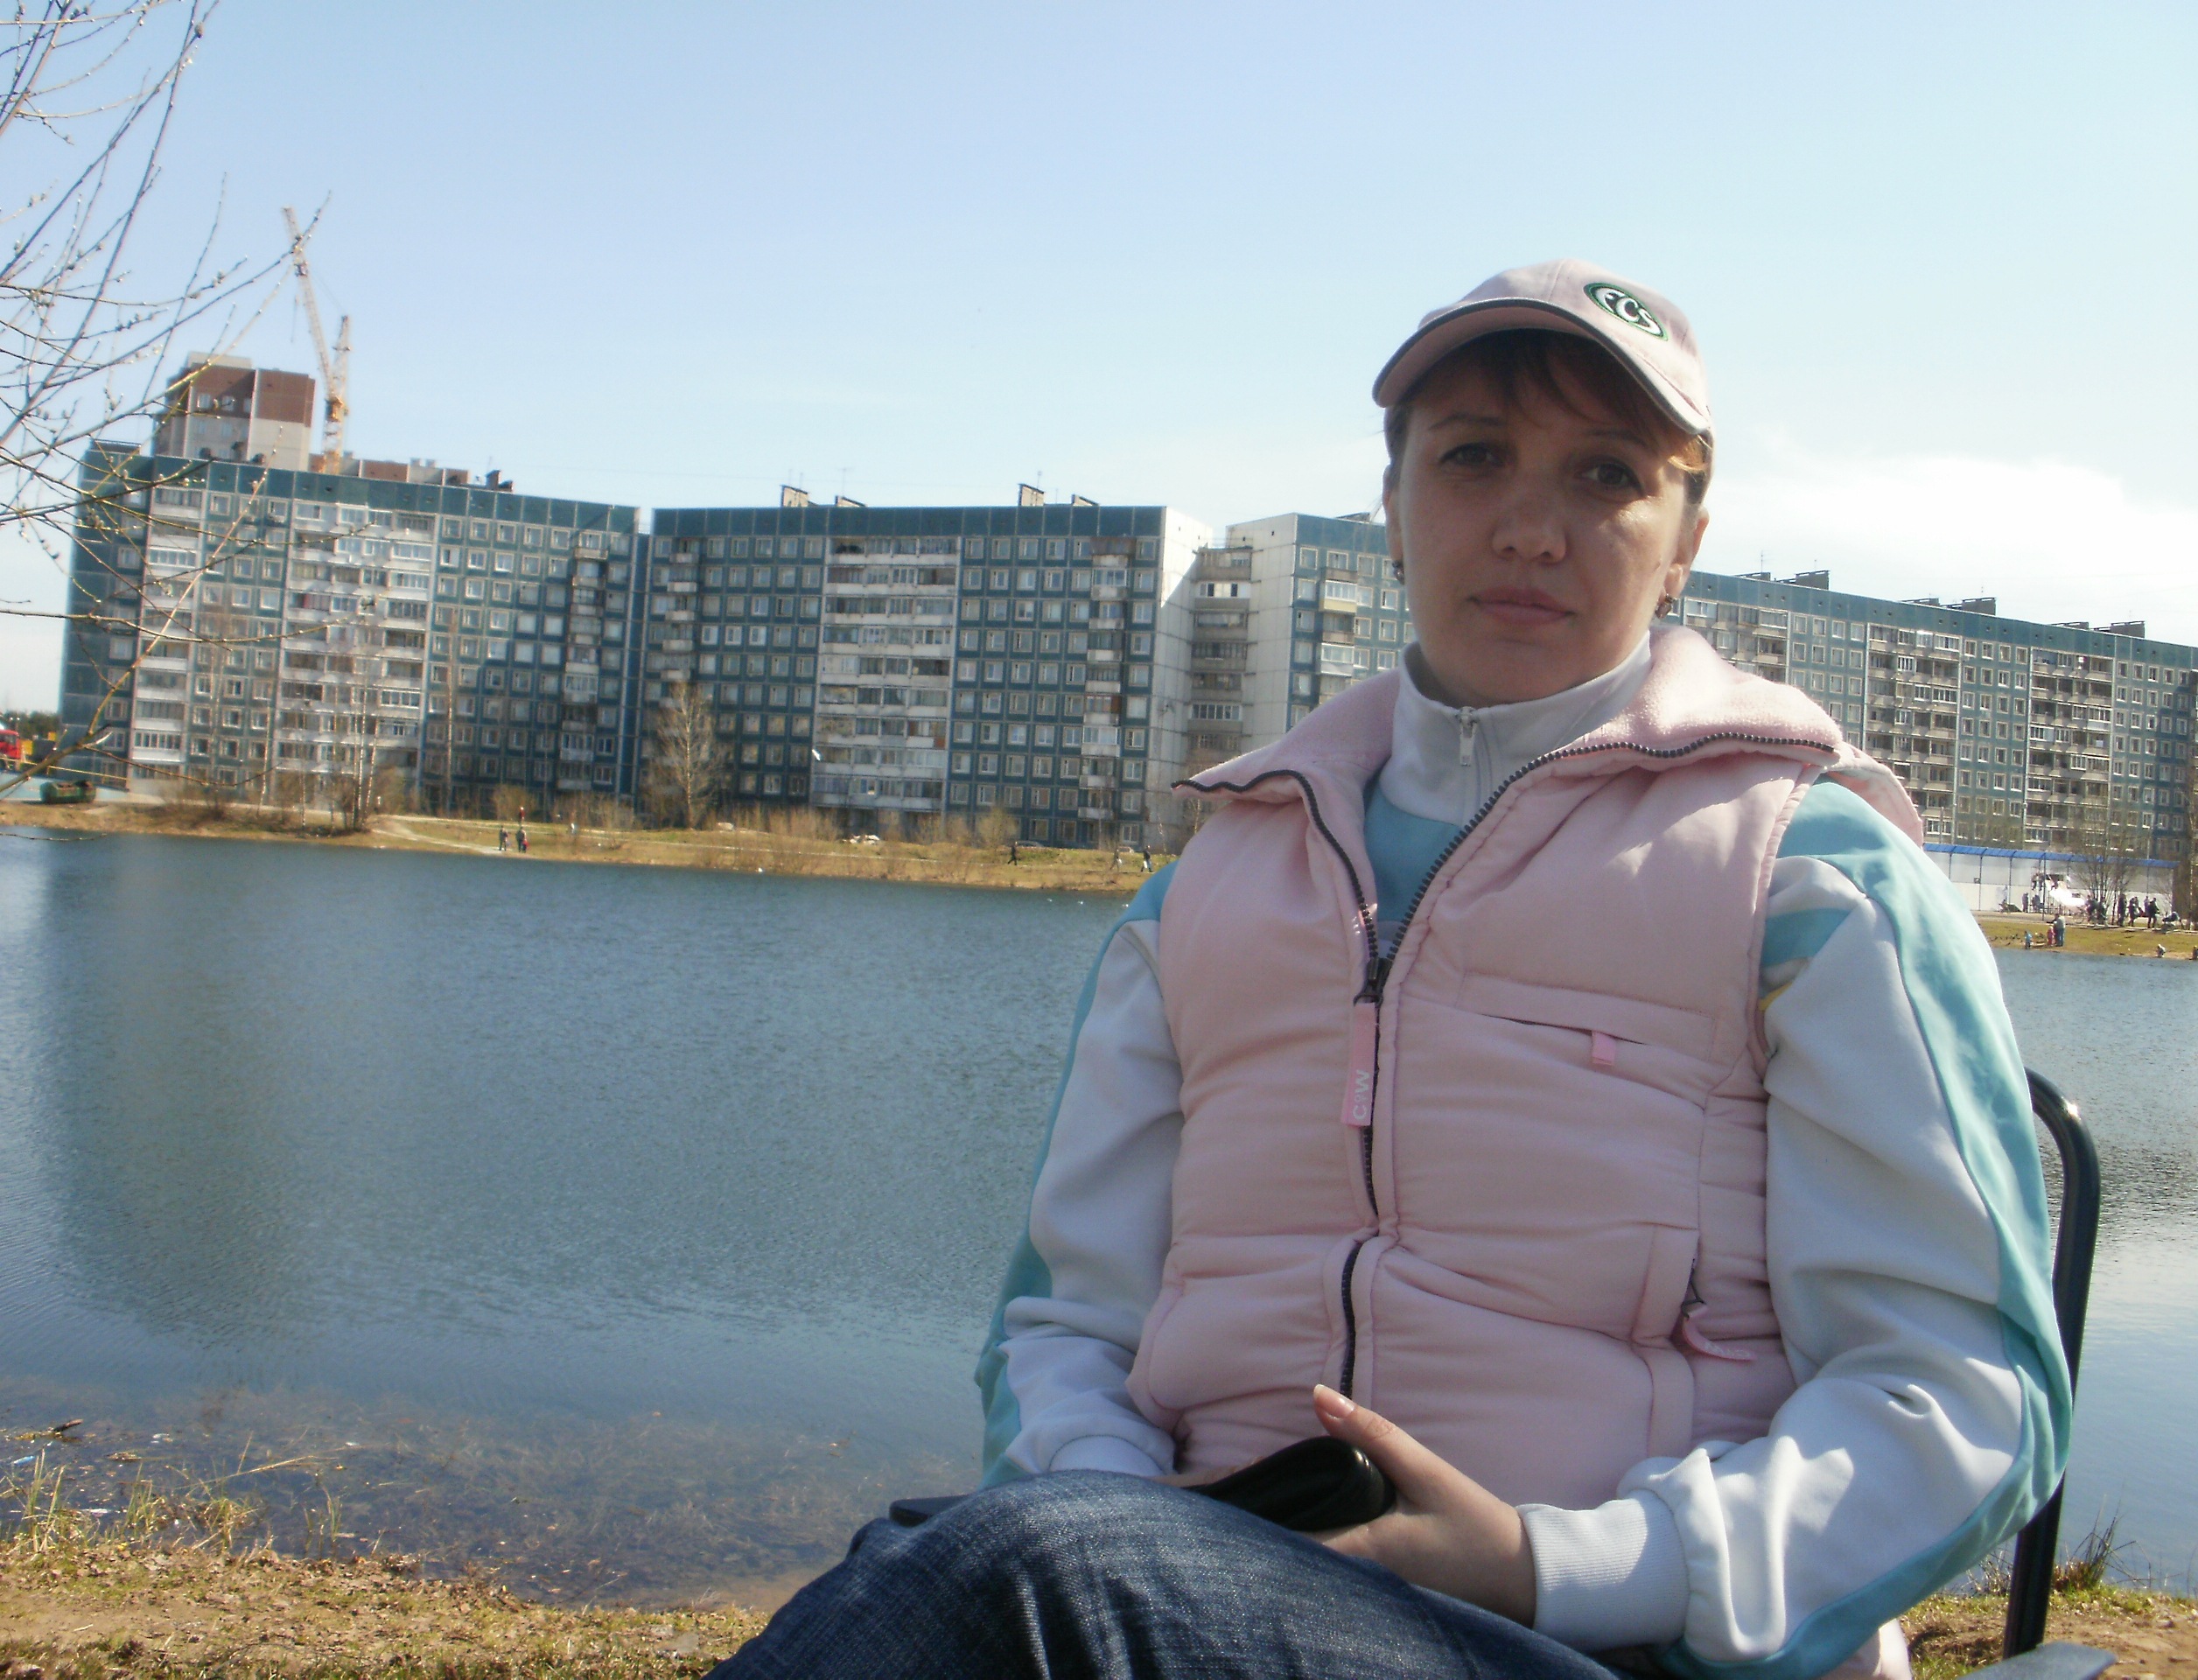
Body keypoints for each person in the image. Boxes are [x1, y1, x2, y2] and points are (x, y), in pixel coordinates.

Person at [711, 262, 2066, 1680]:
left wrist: (1557, 1568)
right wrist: (1116, 1517)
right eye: (1474, 456)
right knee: (953, 1574)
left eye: (1608, 475)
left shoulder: (1813, 880)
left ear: (1686, 543)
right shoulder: (1207, 891)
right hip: (1197, 1601)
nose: (1531, 528)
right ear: (1394, 508)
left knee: (999, 1585)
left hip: (1629, 1647)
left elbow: (1960, 1397)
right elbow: (1067, 1326)